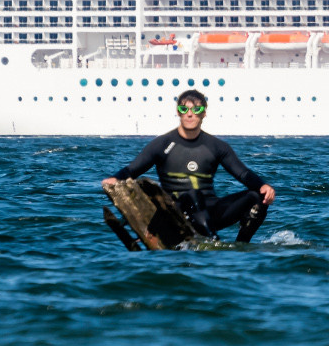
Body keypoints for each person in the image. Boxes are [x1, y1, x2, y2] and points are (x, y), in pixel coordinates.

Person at [103, 89, 277, 242]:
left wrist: (263, 186)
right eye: (184, 109)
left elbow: (243, 174)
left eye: (196, 109)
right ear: (178, 112)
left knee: (257, 196)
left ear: (204, 113)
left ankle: (240, 247)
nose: (190, 114)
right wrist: (115, 178)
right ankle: (212, 242)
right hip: (175, 214)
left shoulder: (216, 146)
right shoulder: (162, 144)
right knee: (190, 195)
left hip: (209, 213)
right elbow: (133, 169)